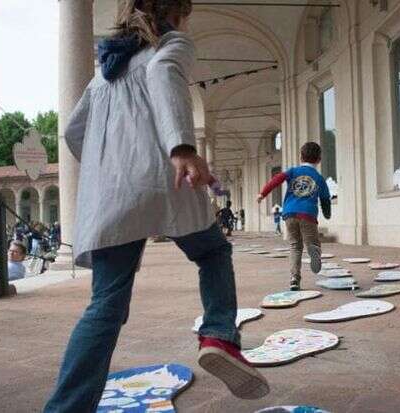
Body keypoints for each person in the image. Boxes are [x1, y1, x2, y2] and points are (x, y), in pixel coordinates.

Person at [43, 1, 269, 411]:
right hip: (164, 181)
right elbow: (164, 76)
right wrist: (182, 148)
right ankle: (219, 334)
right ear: (177, 14)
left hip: (111, 199)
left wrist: (110, 168)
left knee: (105, 305)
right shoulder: (172, 45)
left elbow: (74, 134)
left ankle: (66, 408)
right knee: (213, 252)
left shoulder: (104, 75)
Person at [257, 142, 331, 291]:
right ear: (319, 159)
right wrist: (327, 213)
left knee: (295, 247)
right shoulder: (318, 177)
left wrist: (262, 193)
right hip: (308, 214)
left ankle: (294, 279)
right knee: (312, 242)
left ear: (301, 157)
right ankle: (313, 250)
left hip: (289, 213)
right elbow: (325, 199)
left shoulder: (292, 171)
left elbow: (276, 179)